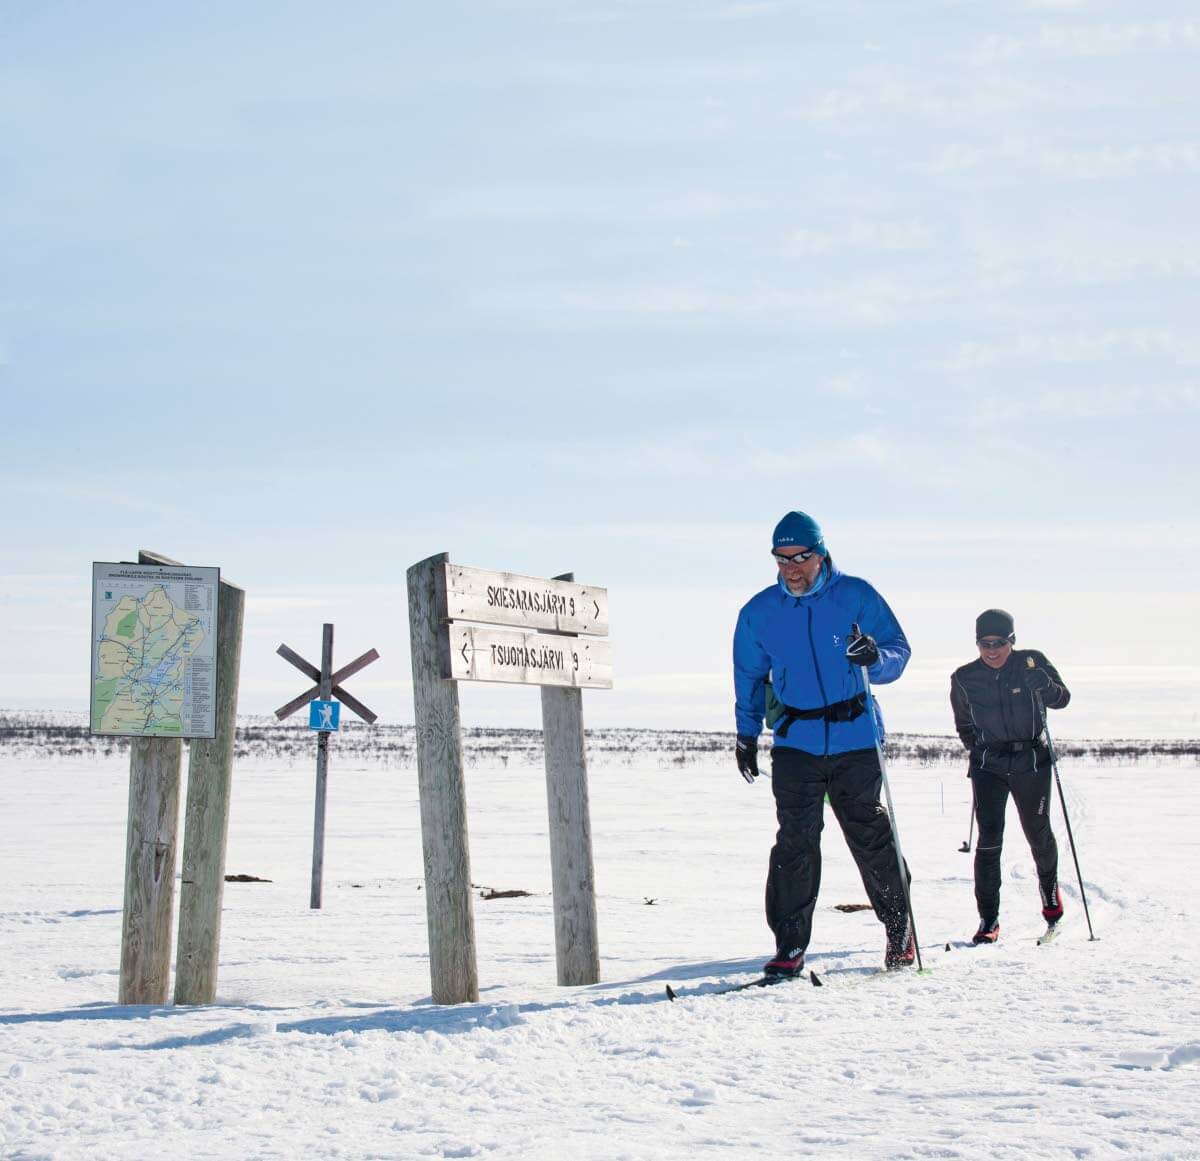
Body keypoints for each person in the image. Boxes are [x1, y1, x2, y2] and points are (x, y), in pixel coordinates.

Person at [733, 510, 914, 977]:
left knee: (869, 834)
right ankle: (789, 944)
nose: (791, 567)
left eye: (801, 557)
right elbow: (749, 677)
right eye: (781, 558)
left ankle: (899, 930)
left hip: (855, 735)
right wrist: (746, 734)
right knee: (795, 841)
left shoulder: (856, 595)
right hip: (796, 740)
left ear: (821, 553)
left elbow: (898, 652)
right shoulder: (758, 612)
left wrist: (875, 657)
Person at [950, 609, 1071, 944]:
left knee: (1039, 835)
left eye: (999, 642)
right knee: (989, 841)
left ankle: (1050, 901)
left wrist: (1045, 686)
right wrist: (979, 749)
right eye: (984, 643)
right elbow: (963, 724)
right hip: (989, 765)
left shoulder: (1032, 662)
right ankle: (988, 920)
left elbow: (1062, 699)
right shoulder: (963, 677)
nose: (991, 650)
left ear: (1011, 641)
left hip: (1031, 761)